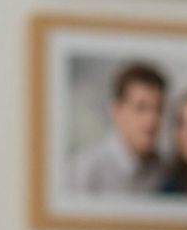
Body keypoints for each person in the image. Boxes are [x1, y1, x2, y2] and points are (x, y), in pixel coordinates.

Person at [65, 62, 169, 196]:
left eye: (158, 109)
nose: (152, 119)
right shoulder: (84, 171)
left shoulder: (164, 172)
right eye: (141, 108)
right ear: (117, 111)